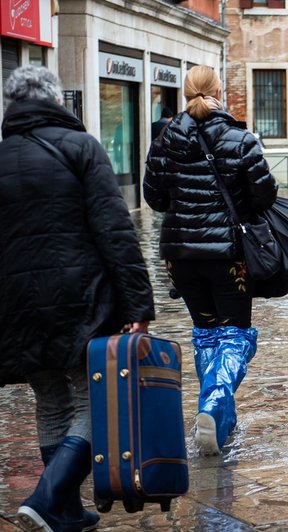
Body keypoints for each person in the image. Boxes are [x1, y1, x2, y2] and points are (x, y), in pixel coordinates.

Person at [0, 66, 155, 532]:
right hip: (79, 298)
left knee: (49, 399)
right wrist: (138, 307)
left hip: (16, 305)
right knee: (94, 405)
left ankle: (66, 511)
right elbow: (115, 231)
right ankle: (47, 499)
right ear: (55, 100)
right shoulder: (80, 148)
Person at [144, 65, 278, 456]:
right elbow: (264, 196)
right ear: (220, 91)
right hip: (229, 255)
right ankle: (215, 403)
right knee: (235, 333)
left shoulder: (164, 140)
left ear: (185, 93)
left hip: (180, 254)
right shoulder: (239, 138)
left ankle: (220, 420)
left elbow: (155, 198)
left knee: (205, 331)